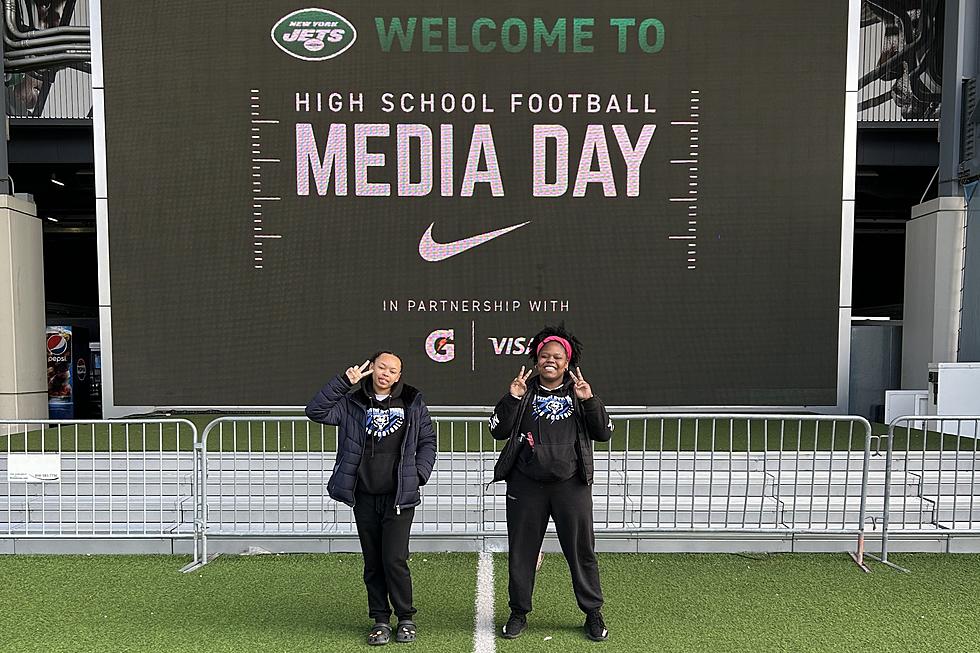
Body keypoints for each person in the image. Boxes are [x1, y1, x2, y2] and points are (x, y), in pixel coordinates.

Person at [490, 325, 613, 642]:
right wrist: (512, 398)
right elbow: (497, 430)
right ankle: (518, 612)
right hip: (526, 485)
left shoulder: (580, 393)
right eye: (545, 355)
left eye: (557, 356)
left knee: (581, 551)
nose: (551, 360)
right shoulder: (523, 392)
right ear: (536, 359)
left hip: (571, 486)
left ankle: (593, 613)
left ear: (567, 362)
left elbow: (603, 433)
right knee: (522, 552)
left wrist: (589, 400)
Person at [306, 351, 437, 646]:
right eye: (381, 367)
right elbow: (315, 411)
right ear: (371, 369)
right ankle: (380, 619)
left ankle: (405, 617)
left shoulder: (413, 401)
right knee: (373, 562)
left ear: (398, 376)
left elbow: (428, 440)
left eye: (392, 370)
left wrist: (418, 475)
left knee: (394, 559)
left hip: (398, 497)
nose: (385, 374)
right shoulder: (352, 403)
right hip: (363, 494)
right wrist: (343, 382)